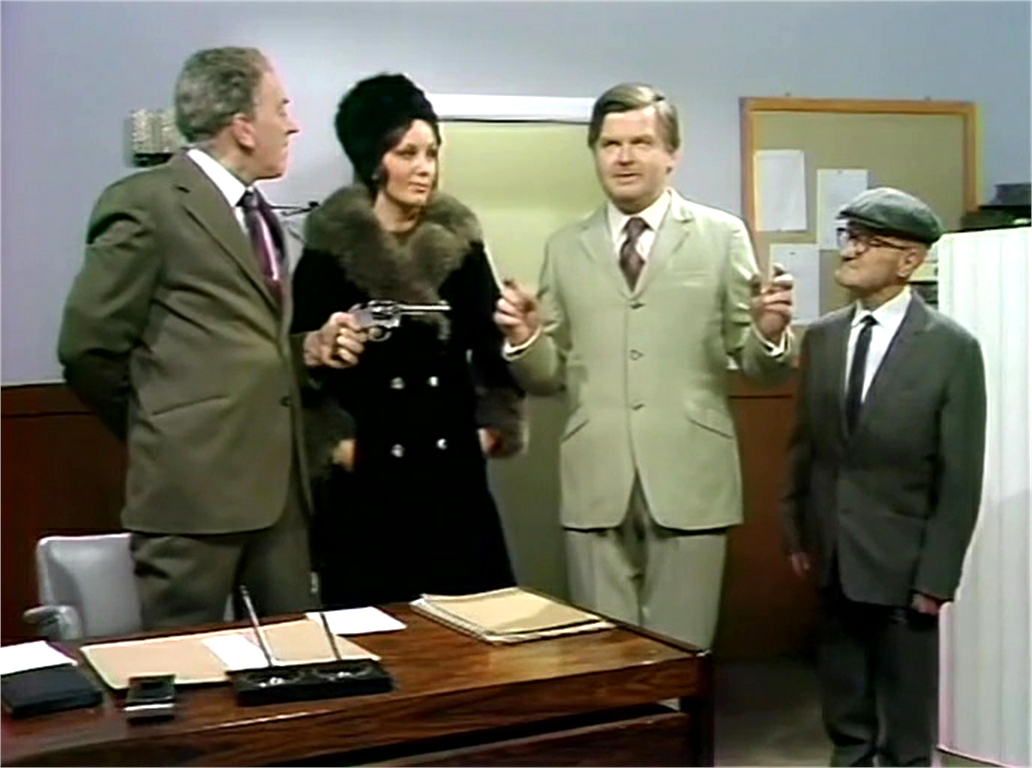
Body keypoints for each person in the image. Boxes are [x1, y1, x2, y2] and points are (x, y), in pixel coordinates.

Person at [57, 47, 359, 630]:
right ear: (243, 126)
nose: (293, 124)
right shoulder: (147, 205)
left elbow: (239, 345)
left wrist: (306, 350)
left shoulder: (261, 215)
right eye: (281, 108)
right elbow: (87, 348)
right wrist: (160, 429)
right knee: (186, 668)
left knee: (297, 662)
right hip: (190, 501)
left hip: (280, 500)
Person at [493, 82, 794, 649]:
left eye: (641, 143)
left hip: (690, 476)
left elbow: (760, 367)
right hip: (595, 478)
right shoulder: (565, 247)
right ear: (595, 153)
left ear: (671, 154)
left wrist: (769, 333)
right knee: (602, 658)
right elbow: (548, 377)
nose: (624, 157)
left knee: (680, 653)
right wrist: (527, 339)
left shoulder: (720, 236)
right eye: (610, 144)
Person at [290, 73, 525, 608]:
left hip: (453, 476)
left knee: (474, 628)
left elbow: (493, 348)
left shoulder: (460, 244)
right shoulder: (329, 251)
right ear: (375, 160)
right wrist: (335, 447)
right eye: (408, 153)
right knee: (378, 634)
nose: (425, 168)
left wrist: (494, 430)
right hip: (369, 481)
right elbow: (299, 365)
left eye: (432, 153)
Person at [782, 187, 987, 766]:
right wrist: (795, 532)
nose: (849, 251)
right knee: (845, 707)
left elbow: (960, 476)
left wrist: (937, 577)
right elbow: (804, 446)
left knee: (905, 718)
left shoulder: (951, 348)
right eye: (848, 237)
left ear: (908, 260)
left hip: (904, 567)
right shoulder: (823, 338)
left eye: (868, 241)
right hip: (833, 557)